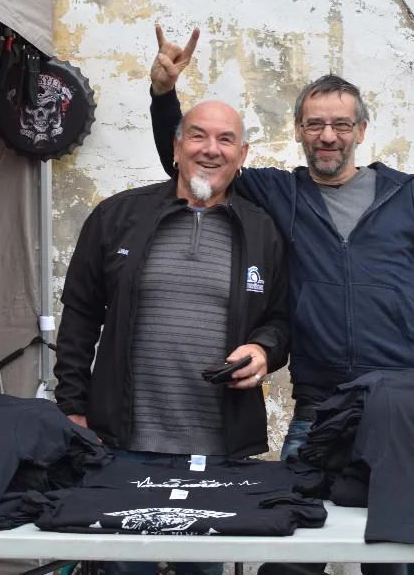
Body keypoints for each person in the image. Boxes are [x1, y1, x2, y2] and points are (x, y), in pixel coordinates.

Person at [148, 26, 414, 575]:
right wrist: (163, 95)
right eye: (315, 124)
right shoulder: (278, 193)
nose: (328, 136)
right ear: (298, 131)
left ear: (360, 131)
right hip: (318, 411)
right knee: (293, 555)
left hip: (399, 407)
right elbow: (194, 166)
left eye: (341, 124)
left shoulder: (405, 196)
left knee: (392, 558)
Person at [54, 99, 290, 575]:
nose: (211, 149)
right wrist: (73, 408)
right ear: (177, 147)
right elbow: (80, 316)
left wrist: (264, 349)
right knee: (124, 569)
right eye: (198, 136)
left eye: (226, 140)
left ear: (242, 155)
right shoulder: (118, 216)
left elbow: (282, 319)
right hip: (122, 444)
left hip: (216, 449)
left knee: (200, 570)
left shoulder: (263, 231)